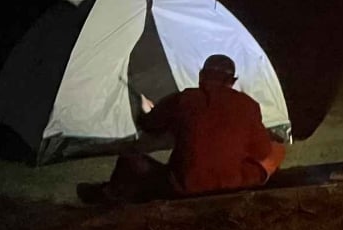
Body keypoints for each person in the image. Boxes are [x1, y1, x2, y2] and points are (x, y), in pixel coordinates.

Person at [78, 54, 285, 203]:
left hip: (186, 186)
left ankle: (108, 195)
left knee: (130, 159)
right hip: (235, 183)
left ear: (201, 75)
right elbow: (262, 152)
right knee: (278, 148)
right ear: (232, 81)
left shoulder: (184, 99)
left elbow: (149, 126)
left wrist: (145, 110)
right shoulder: (247, 104)